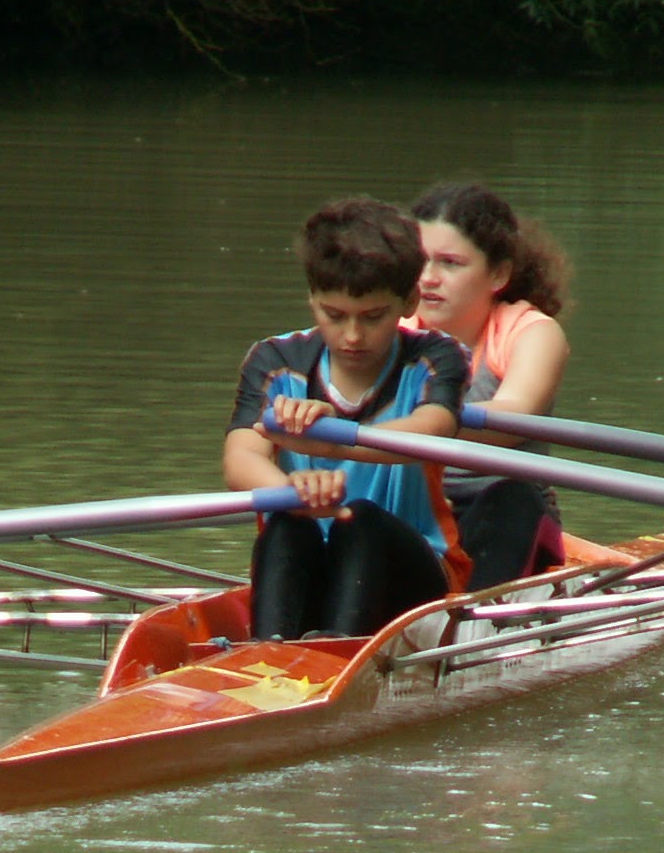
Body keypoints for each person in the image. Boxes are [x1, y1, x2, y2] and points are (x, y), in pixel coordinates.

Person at [224, 197, 472, 640]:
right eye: (334, 316)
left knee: (359, 520)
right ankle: (269, 656)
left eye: (372, 317)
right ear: (312, 299)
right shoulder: (274, 361)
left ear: (409, 301)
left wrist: (329, 440)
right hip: (313, 560)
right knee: (287, 523)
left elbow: (432, 430)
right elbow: (240, 457)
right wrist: (295, 493)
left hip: (417, 580)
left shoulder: (437, 357)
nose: (352, 336)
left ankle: (337, 656)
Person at [409, 181, 574, 589]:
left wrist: (419, 420)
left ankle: (474, 616)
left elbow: (513, 417)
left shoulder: (530, 332)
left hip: (507, 518)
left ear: (498, 273)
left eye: (450, 263)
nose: (428, 279)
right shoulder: (392, 331)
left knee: (511, 499)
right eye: (420, 261)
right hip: (425, 514)